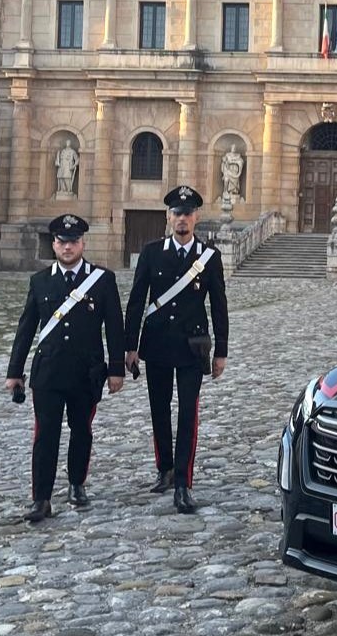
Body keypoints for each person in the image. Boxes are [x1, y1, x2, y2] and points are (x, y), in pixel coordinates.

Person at [5, 214, 125, 523]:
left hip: (86, 372)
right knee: (45, 435)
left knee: (81, 430)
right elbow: (26, 327)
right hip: (48, 371)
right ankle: (41, 498)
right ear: (54, 244)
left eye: (73, 242)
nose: (67, 247)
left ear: (83, 243)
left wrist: (115, 370)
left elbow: (114, 327)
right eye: (61, 241)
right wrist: (14, 371)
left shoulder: (102, 280)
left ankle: (76, 483)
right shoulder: (41, 281)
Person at [125, 185, 229, 514]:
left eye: (187, 214)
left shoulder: (209, 258)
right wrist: (130, 347)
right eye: (176, 214)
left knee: (188, 413)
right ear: (168, 217)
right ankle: (165, 468)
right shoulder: (152, 252)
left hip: (191, 347)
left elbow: (220, 305)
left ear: (196, 217)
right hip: (155, 344)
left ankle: (184, 482)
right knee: (159, 410)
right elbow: (136, 300)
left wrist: (221, 351)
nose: (181, 219)